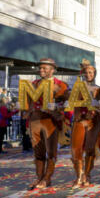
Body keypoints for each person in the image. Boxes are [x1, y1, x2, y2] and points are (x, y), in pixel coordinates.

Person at [27, 58, 68, 189]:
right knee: (38, 151)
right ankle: (39, 177)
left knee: (51, 151)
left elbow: (68, 103)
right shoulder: (33, 84)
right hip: (35, 120)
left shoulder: (60, 85)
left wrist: (56, 107)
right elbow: (27, 102)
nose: (41, 70)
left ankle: (47, 178)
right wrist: (24, 109)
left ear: (52, 70)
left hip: (51, 121)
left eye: (44, 68)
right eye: (40, 68)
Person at [70, 59, 100, 188]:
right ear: (83, 74)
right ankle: (79, 175)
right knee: (76, 149)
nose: (89, 75)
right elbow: (70, 103)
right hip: (80, 121)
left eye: (91, 72)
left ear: (95, 74)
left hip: (94, 121)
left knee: (90, 149)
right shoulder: (77, 88)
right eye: (86, 73)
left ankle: (87, 174)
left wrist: (99, 106)